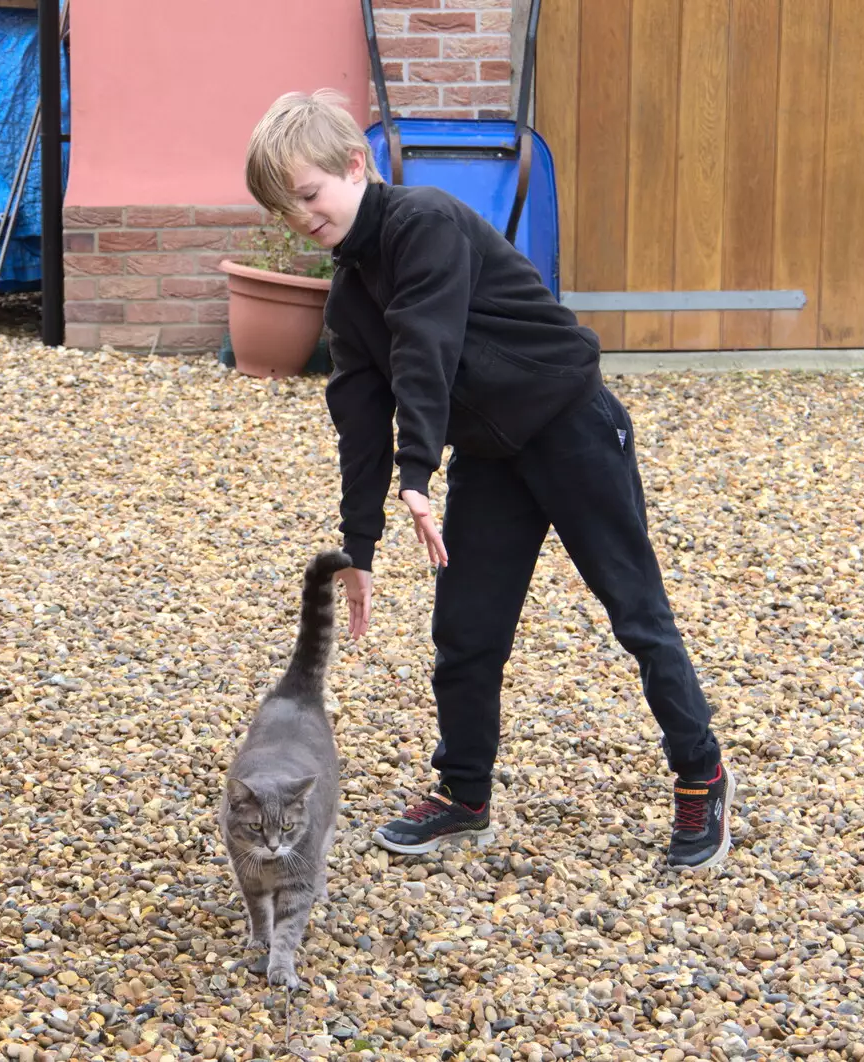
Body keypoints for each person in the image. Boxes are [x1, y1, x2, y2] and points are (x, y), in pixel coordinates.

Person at [242, 89, 734, 871]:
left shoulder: (426, 223)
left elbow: (425, 349)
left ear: (355, 164)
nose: (302, 216)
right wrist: (358, 548)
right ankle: (464, 795)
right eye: (285, 208)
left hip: (571, 428)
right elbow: (359, 424)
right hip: (493, 459)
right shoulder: (349, 296)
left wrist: (416, 475)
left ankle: (700, 773)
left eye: (309, 194)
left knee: (636, 614)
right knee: (466, 635)